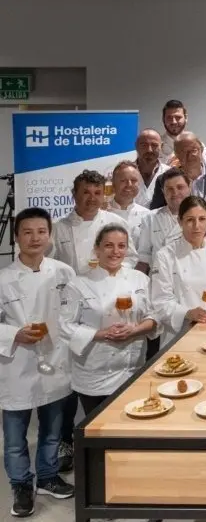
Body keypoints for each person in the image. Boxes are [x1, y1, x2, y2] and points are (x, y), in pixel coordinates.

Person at [0, 208, 76, 517]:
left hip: (56, 361)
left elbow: (75, 314)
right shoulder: (3, 278)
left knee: (52, 428)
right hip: (16, 364)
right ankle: (20, 484)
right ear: (16, 237)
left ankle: (46, 477)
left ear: (49, 235)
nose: (35, 238)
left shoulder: (63, 272)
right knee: (16, 435)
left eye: (41, 231)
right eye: (27, 232)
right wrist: (14, 333)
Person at [59, 225, 156, 415]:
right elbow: (64, 325)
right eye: (109, 245)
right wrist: (100, 334)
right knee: (98, 430)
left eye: (121, 246)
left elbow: (154, 316)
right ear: (97, 249)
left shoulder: (140, 279)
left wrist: (135, 330)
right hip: (94, 372)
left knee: (130, 425)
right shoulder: (79, 284)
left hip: (132, 369)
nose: (115, 251)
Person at [150, 197, 206, 347]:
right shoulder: (165, 256)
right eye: (190, 220)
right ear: (180, 222)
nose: (197, 226)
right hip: (178, 335)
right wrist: (187, 313)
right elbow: (161, 301)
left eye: (202, 219)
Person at [136, 168, 206, 273]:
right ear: (162, 191)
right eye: (169, 189)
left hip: (199, 273)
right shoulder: (150, 218)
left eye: (180, 187)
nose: (175, 193)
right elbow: (144, 257)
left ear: (189, 187)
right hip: (162, 276)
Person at [49, 170, 128, 275]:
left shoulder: (116, 222)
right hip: (70, 288)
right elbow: (48, 263)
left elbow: (130, 258)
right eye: (86, 192)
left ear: (103, 195)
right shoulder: (57, 227)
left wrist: (113, 275)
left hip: (107, 286)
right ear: (74, 194)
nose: (92, 198)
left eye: (97, 193)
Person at [150, 131, 206, 207]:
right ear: (176, 155)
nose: (189, 155)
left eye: (193, 150)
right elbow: (156, 213)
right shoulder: (163, 180)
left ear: (202, 149)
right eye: (183, 151)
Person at [106, 161, 151, 269]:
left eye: (134, 181)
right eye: (123, 181)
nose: (129, 185)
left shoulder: (147, 215)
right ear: (113, 183)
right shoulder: (102, 213)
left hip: (139, 275)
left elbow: (148, 252)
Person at [133, 129, 170, 208]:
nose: (149, 150)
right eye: (144, 145)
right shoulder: (124, 173)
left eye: (154, 145)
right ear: (136, 146)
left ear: (161, 147)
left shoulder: (169, 173)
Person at [159, 100, 187, 165]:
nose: (173, 122)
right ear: (163, 119)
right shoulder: (154, 146)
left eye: (178, 117)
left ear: (186, 118)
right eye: (169, 118)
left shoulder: (197, 146)